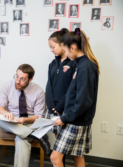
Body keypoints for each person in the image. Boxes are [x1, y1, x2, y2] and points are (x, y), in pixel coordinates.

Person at [50, 28, 100, 167]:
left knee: (55, 158)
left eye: (65, 51)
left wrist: (64, 118)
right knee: (77, 155)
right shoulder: (81, 65)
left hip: (76, 121)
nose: (65, 54)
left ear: (72, 48)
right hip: (77, 119)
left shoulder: (85, 67)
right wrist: (59, 107)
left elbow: (84, 101)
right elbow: (73, 91)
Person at [0, 64, 50, 167]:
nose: (17, 81)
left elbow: (38, 116)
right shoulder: (7, 85)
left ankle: (27, 133)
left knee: (21, 139)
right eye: (16, 76)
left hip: (30, 121)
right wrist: (6, 113)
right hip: (12, 119)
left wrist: (25, 120)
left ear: (30, 79)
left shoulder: (38, 91)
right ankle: (32, 135)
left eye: (22, 79)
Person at [45, 28, 76, 167]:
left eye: (53, 47)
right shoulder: (52, 64)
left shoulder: (74, 63)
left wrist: (60, 106)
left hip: (67, 109)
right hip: (54, 109)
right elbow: (49, 86)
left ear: (62, 44)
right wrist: (51, 105)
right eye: (50, 48)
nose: (51, 50)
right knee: (59, 146)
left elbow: (72, 89)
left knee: (75, 149)